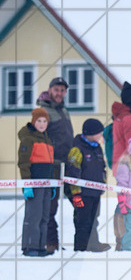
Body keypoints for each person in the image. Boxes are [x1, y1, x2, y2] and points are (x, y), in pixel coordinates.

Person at [37, 77, 74, 253]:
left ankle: (85, 240)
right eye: (56, 90)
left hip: (67, 164)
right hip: (51, 164)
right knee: (50, 205)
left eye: (62, 90)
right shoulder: (43, 110)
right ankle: (50, 242)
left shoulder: (64, 110)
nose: (59, 93)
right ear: (50, 90)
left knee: (78, 199)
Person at [64, 118, 108, 252]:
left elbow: (102, 168)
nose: (101, 135)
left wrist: (103, 184)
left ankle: (93, 244)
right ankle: (81, 247)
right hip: (82, 194)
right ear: (91, 133)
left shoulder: (97, 148)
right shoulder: (77, 149)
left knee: (94, 219)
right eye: (99, 133)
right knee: (82, 221)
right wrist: (75, 194)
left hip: (95, 192)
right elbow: (72, 173)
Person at [110, 81, 131, 250]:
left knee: (123, 202)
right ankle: (124, 240)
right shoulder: (130, 118)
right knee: (128, 204)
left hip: (119, 162)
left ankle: (121, 239)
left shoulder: (119, 117)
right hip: (129, 166)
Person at [17, 108, 55, 257]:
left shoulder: (47, 140)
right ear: (33, 121)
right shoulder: (28, 139)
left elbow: (50, 164)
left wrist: (51, 184)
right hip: (34, 185)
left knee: (45, 216)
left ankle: (40, 246)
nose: (42, 124)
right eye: (39, 121)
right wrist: (27, 185)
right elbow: (23, 163)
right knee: (34, 215)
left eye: (44, 121)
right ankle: (29, 246)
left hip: (46, 185)